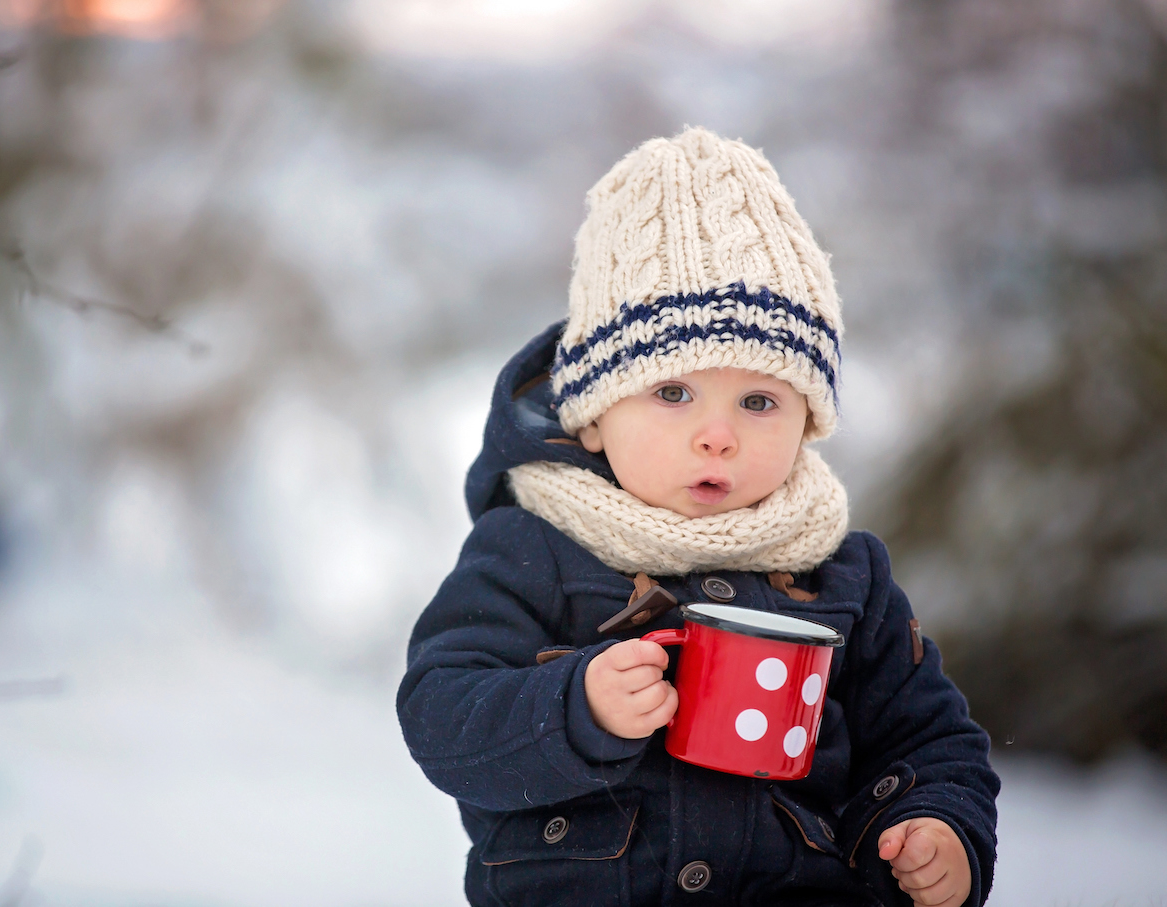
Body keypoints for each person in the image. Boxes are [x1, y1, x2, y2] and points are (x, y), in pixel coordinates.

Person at [396, 128, 999, 907]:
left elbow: (930, 737)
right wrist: (574, 709)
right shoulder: (533, 549)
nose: (718, 433)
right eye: (673, 392)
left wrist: (935, 823)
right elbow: (442, 715)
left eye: (759, 400)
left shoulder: (846, 576)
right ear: (591, 416)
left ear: (808, 421)